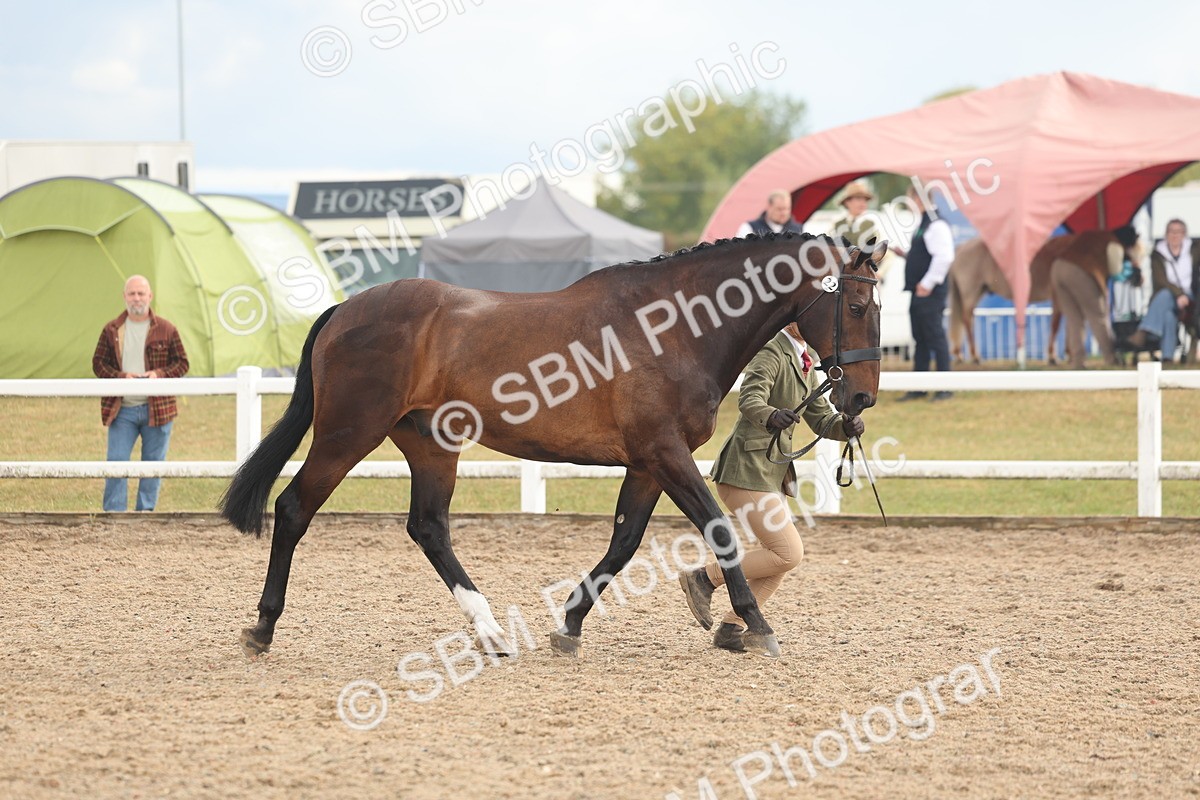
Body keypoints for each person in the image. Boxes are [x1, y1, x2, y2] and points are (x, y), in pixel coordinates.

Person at [677, 323, 864, 653]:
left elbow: (820, 419)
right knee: (788, 552)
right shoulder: (771, 352)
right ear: (794, 322)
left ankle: (731, 628)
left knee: (780, 560)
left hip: (768, 474)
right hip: (745, 471)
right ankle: (704, 578)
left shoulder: (803, 360)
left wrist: (845, 427)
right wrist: (771, 415)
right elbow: (749, 400)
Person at [92, 275, 189, 512]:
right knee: (116, 462)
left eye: (141, 293)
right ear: (124, 296)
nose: (137, 298)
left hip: (158, 409)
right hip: (122, 409)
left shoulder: (167, 329)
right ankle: (114, 514)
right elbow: (98, 364)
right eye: (132, 293)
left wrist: (159, 374)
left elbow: (182, 364)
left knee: (153, 465)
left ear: (150, 296)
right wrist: (120, 377)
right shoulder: (112, 329)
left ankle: (145, 514)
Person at [892, 185, 955, 400]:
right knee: (921, 339)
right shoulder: (924, 224)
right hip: (920, 292)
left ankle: (945, 387)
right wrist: (906, 255)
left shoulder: (936, 225)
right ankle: (919, 386)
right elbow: (927, 256)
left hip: (929, 293)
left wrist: (927, 284)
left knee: (935, 337)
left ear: (919, 199)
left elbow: (944, 257)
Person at [1127, 218, 1200, 362]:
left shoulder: (1194, 250)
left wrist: (1183, 295)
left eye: (1178, 232)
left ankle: (1144, 331)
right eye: (1171, 231)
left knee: (1166, 299)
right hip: (1168, 296)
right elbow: (1161, 281)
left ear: (1184, 234)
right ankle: (1167, 357)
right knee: (1167, 312)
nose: (1175, 235)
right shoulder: (1158, 254)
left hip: (1190, 296)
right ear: (1166, 234)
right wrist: (1178, 295)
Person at [735, 189, 805, 238]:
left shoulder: (800, 230)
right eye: (779, 209)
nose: (783, 213)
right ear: (769, 207)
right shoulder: (749, 228)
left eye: (786, 209)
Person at [828, 181, 877, 249]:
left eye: (865, 200)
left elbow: (884, 252)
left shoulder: (874, 224)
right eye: (858, 199)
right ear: (847, 202)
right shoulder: (836, 224)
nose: (863, 203)